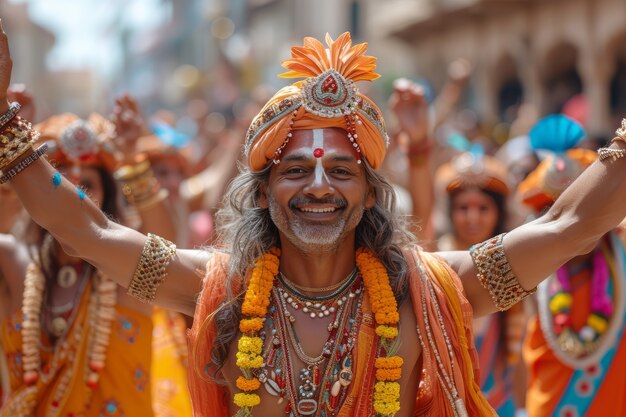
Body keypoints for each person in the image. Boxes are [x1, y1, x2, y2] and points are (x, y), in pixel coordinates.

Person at [2, 27, 626, 417]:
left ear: (371, 192)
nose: (320, 187)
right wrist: (6, 128)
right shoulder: (213, 290)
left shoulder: (432, 288)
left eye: (342, 172)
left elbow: (570, 225)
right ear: (265, 188)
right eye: (295, 170)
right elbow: (92, 232)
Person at [0, 105, 175, 416]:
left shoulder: (126, 276)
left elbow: (166, 250)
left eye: (86, 187)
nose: (69, 197)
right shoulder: (14, 262)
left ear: (105, 198)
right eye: (59, 181)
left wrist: (133, 160)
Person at [518, 115, 626, 417]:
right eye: (557, 213)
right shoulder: (525, 262)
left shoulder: (623, 248)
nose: (574, 226)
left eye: (586, 212)